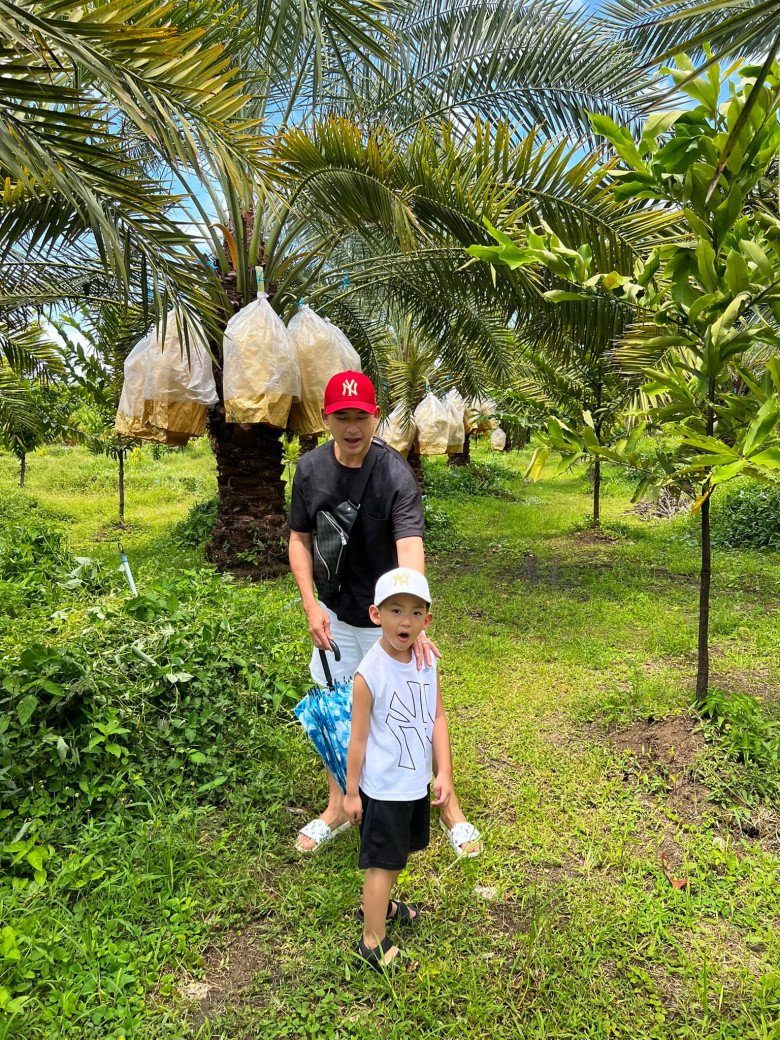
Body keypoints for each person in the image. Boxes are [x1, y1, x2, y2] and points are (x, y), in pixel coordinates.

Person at [288, 370, 481, 857]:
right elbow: (299, 539)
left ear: (375, 417)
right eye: (341, 417)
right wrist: (312, 605)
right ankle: (337, 806)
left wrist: (410, 622)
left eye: (361, 416)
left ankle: (448, 800)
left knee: (417, 704)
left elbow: (410, 547)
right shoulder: (309, 471)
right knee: (338, 710)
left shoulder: (394, 473)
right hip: (335, 617)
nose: (352, 427)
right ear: (327, 419)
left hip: (385, 620)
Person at [345, 567, 450, 971]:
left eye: (415, 611)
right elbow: (357, 740)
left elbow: (437, 716)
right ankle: (371, 942)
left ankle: (380, 907)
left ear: (427, 619)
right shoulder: (369, 674)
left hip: (413, 784)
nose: (405, 621)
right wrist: (352, 792)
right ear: (376, 615)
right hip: (384, 790)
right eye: (395, 610)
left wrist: (443, 773)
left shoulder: (426, 661)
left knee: (395, 859)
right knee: (383, 863)